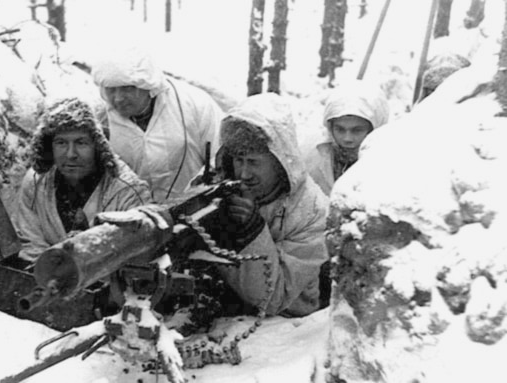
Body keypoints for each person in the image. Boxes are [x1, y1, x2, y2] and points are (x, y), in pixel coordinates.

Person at [208, 93, 329, 317]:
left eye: (254, 162)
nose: (244, 174)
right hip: (220, 312)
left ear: (279, 161)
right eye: (238, 160)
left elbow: (275, 299)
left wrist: (252, 231)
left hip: (288, 324)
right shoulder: (216, 186)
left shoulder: (312, 210)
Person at [14, 98, 152, 261]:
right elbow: (29, 242)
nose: (71, 154)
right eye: (61, 143)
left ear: (98, 146)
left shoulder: (127, 191)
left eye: (81, 143)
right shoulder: (36, 181)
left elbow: (139, 252)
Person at [91, 46, 223, 202]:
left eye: (127, 89)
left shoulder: (194, 103)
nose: (118, 98)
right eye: (111, 90)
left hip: (194, 209)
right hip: (132, 217)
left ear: (147, 85)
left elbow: (221, 154)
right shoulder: (99, 118)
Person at [304, 80, 390, 196]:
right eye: (340, 129)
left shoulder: (389, 163)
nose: (347, 139)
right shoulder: (311, 157)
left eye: (357, 130)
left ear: (374, 129)